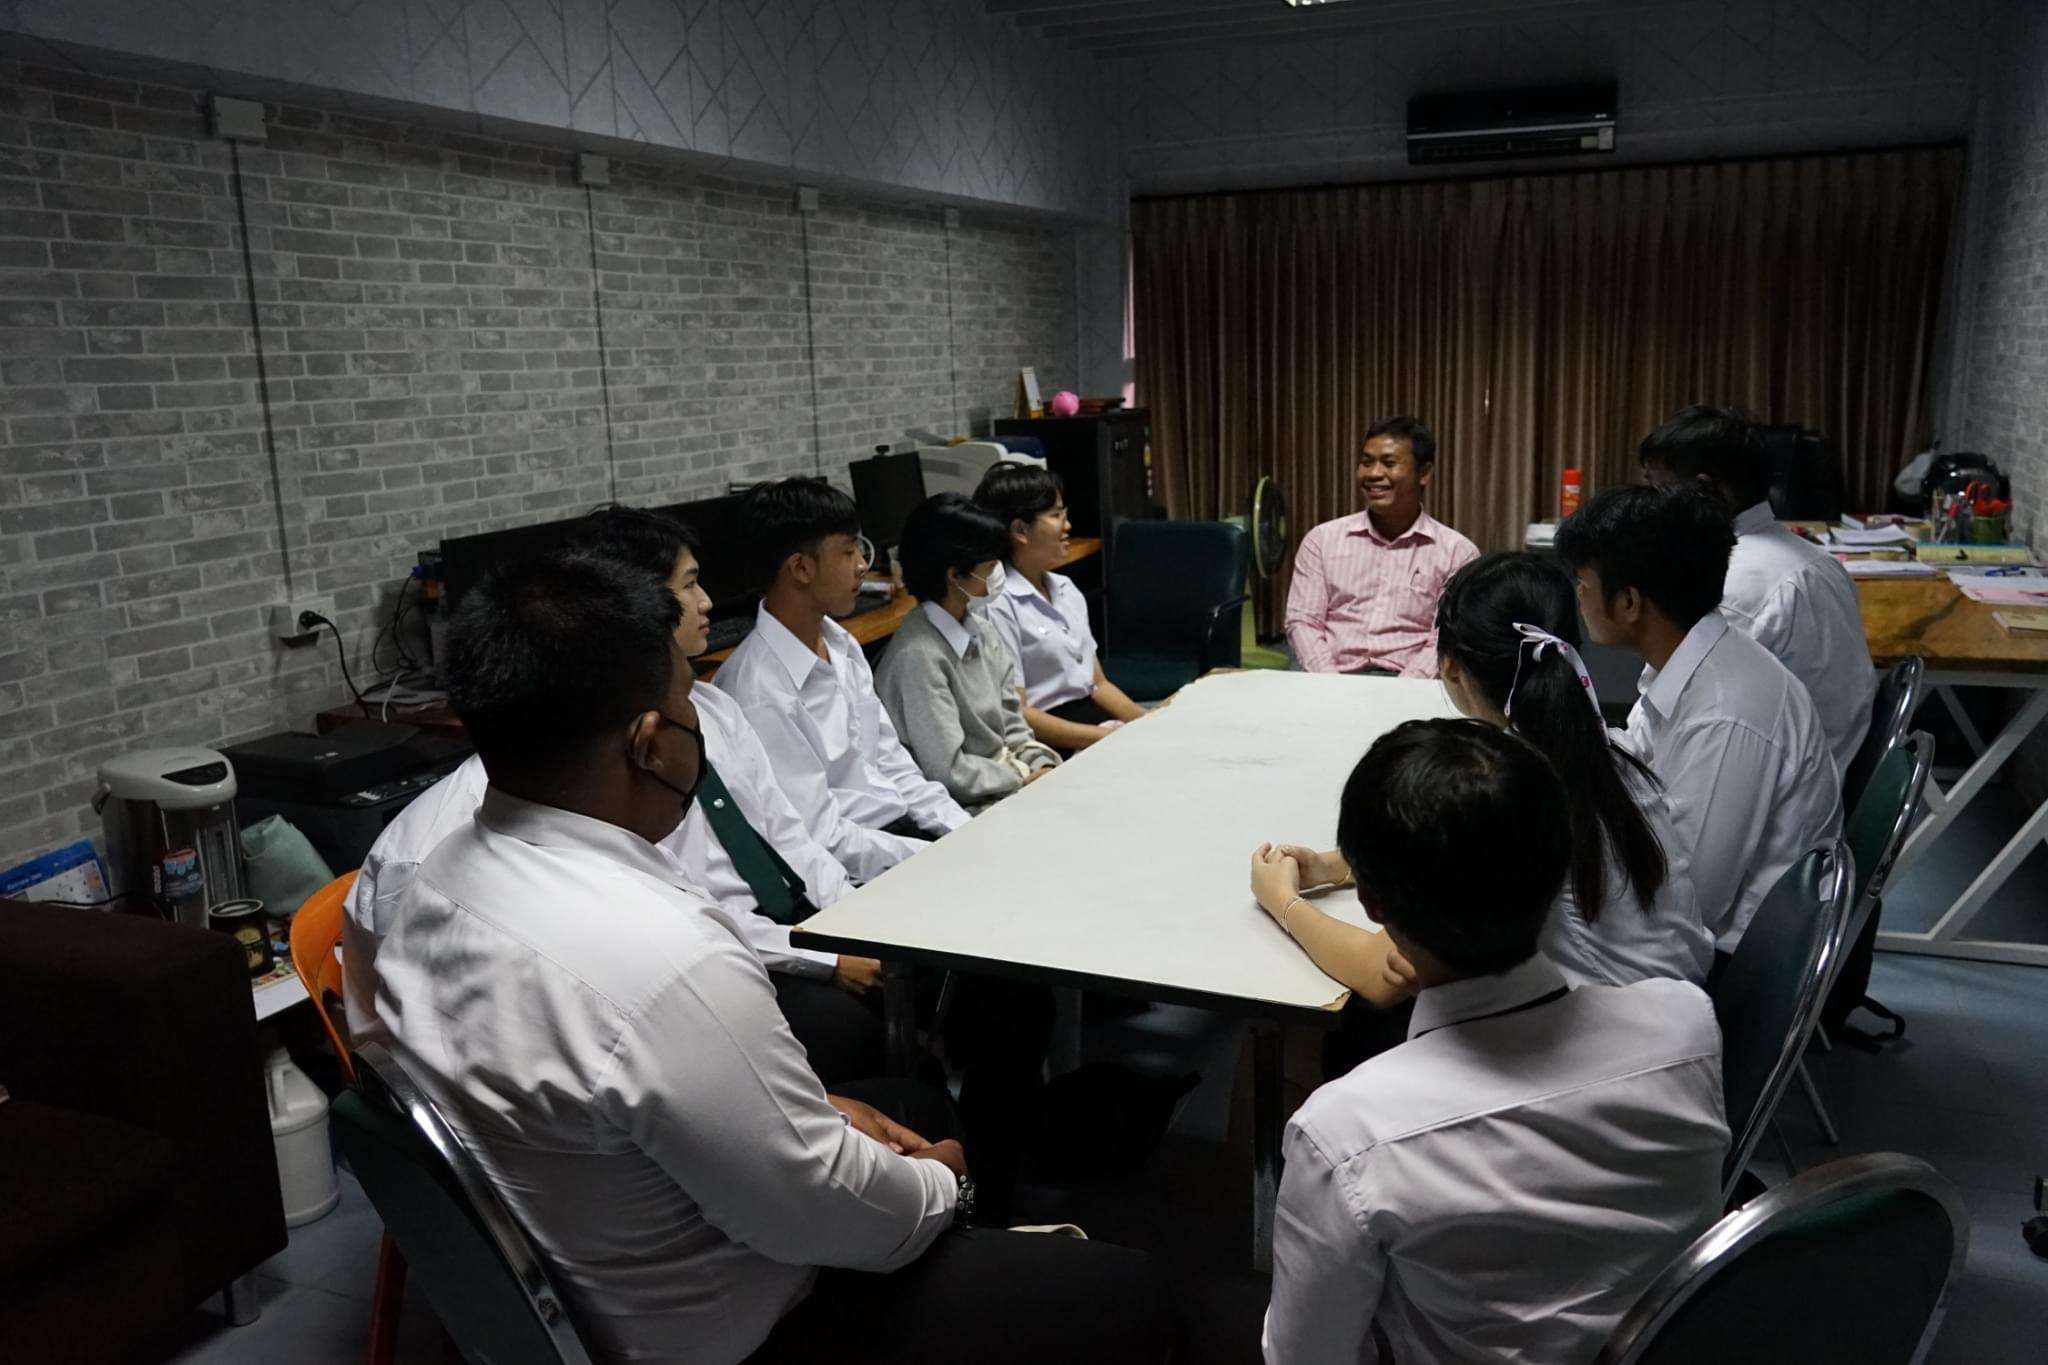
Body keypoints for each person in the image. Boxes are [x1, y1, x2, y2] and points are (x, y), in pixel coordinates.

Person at [371, 551, 1183, 1365]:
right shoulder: (668, 957)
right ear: (650, 744)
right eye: (688, 707)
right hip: (737, 1328)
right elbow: (832, 1213)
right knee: (1130, 1293)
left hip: (588, 1254)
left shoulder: (425, 880)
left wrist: (808, 1108)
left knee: (908, 1101)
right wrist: (946, 1183)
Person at [343, 505, 885, 1085]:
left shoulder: (694, 717)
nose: (706, 602)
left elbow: (786, 835)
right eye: (688, 585)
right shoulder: (455, 846)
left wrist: (852, 922)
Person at [1261, 719, 1729, 1365]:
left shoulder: (1345, 1137)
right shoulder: (1687, 1024)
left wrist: (1285, 903)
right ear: (1562, 868)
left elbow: (1305, 1356)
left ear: (1370, 902)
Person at [1253, 551, 1712, 993]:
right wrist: (1333, 866)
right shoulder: (1604, 746)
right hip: (1679, 1002)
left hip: (1600, 1025)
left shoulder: (1503, 792)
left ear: (1450, 666)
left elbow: (1384, 974)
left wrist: (1281, 901)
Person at [1555, 485, 1841, 953]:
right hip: (1681, 898)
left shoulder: (1725, 713)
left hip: (1736, 955)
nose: (1579, 595)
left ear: (1629, 602)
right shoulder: (1691, 658)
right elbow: (1635, 760)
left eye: (1583, 582)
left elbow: (1690, 902)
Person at [715, 478, 970, 883]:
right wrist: (932, 856)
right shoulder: (757, 690)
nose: (863, 565)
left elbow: (893, 764)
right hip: (856, 870)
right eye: (849, 551)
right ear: (801, 568)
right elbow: (822, 838)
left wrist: (962, 832)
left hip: (900, 838)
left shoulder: (840, 643)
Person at [1640, 404, 1877, 778]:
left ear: (1704, 490)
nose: (1650, 506)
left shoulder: (1731, 584)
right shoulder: (1818, 560)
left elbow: (1664, 720)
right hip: (1824, 765)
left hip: (1771, 783)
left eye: (1658, 489)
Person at [874, 493, 1061, 811]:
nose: (997, 574)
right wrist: (1021, 776)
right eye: (990, 567)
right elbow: (950, 772)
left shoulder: (981, 631)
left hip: (1009, 784)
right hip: (966, 806)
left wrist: (1042, 765)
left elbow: (1013, 724)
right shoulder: (918, 657)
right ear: (954, 575)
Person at [973, 461, 1147, 752]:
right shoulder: (998, 604)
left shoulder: (1065, 588)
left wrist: (1148, 721)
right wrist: (1104, 737)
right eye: (1056, 515)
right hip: (1049, 740)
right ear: (1020, 530)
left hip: (1092, 724)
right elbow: (1017, 712)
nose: (1067, 526)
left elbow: (1098, 684)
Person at [1284, 416, 1479, 677]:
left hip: (1411, 682)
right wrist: (1330, 683)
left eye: (1389, 463)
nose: (1374, 474)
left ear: (1424, 473)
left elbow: (1446, 637)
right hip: (1330, 675)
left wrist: (1402, 689)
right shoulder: (1321, 540)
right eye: (1366, 462)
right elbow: (1303, 620)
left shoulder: (1457, 553)